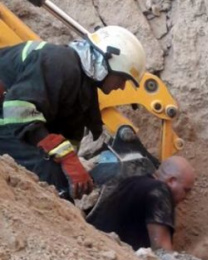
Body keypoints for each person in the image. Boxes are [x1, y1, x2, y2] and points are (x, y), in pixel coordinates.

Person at [0, 26, 146, 200]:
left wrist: (73, 171)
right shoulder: (60, 62)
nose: (121, 86)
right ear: (108, 62)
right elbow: (18, 110)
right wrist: (66, 159)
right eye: (122, 78)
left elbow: (67, 139)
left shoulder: (83, 92)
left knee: (55, 175)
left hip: (8, 121)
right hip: (8, 118)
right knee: (46, 171)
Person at [87, 155, 196, 252]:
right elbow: (162, 251)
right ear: (172, 181)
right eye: (185, 190)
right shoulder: (160, 191)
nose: (185, 197)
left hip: (91, 248)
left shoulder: (132, 182)